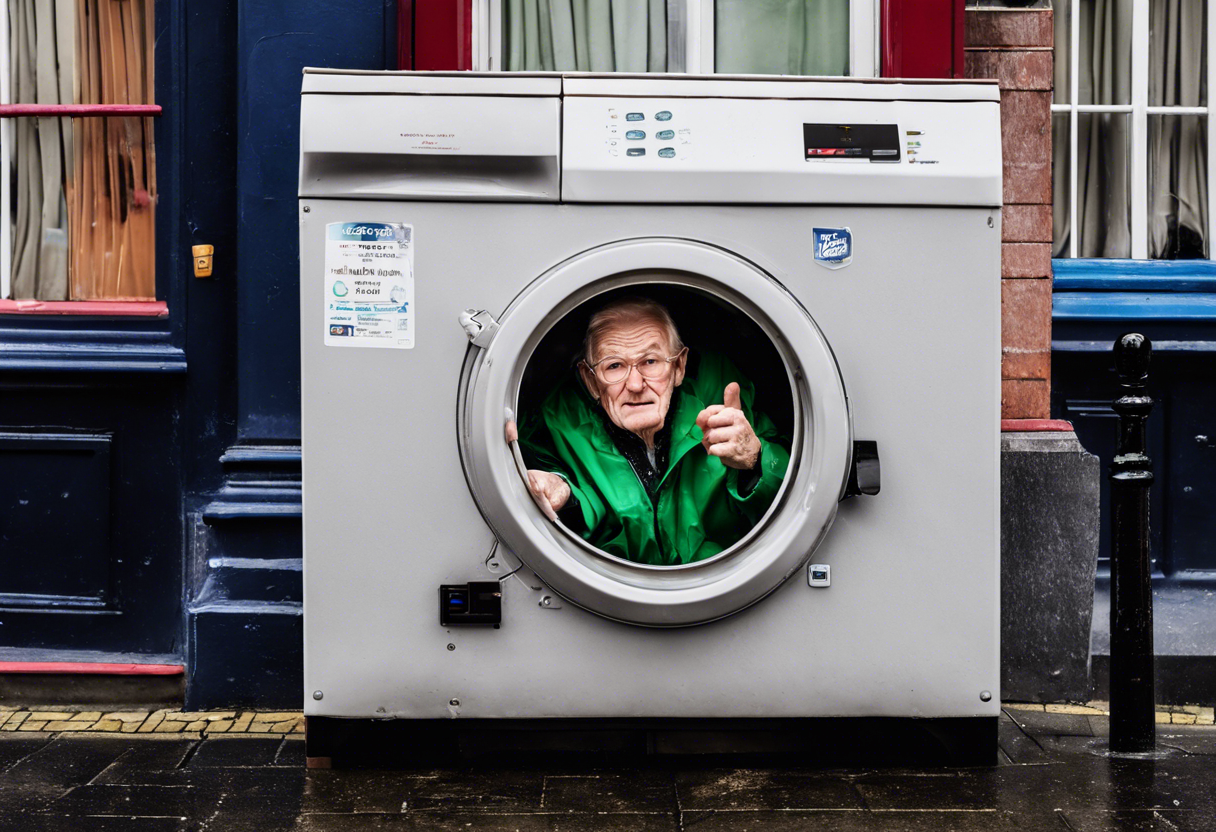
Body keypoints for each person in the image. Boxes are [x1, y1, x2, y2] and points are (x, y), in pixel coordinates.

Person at [513, 297, 790, 565]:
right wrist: (563, 493)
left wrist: (755, 460)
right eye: (614, 365)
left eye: (650, 362)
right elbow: (561, 507)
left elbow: (794, 488)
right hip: (609, 593)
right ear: (592, 380)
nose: (635, 384)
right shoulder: (554, 422)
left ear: (679, 366)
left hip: (728, 581)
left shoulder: (721, 391)